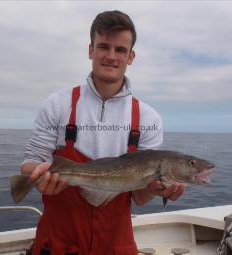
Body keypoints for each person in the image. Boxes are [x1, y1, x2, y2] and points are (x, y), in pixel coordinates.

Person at [21, 10, 186, 255]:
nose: (111, 56)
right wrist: (37, 181)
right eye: (103, 47)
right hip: (57, 241)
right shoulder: (57, 104)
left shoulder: (149, 118)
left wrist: (159, 188)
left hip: (115, 244)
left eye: (120, 50)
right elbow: (29, 165)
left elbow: (139, 198)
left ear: (131, 57)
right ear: (91, 50)